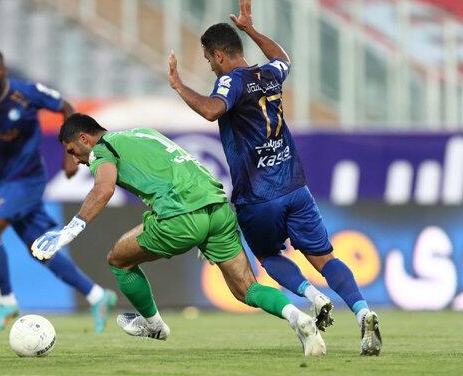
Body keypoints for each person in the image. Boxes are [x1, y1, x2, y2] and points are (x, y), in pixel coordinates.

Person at [168, 0, 381, 356]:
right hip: (296, 187)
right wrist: (251, 29)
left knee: (268, 257)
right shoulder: (268, 74)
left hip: (258, 196)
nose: (210, 67)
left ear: (219, 55)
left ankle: (312, 295)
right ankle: (363, 311)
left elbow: (211, 110)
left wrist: (179, 86)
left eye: (208, 60)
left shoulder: (231, 81)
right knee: (325, 259)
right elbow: (284, 58)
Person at [31, 113, 326, 356]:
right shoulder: (144, 132)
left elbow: (104, 188)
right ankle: (297, 317)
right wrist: (202, 228)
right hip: (218, 208)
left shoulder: (102, 149)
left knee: (118, 260)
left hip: (180, 215)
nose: (76, 159)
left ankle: (154, 325)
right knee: (247, 289)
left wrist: (69, 231)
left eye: (72, 151)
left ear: (84, 138)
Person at [0, 48, 116, 333]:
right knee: (40, 250)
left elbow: (66, 107)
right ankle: (97, 296)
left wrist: (68, 155)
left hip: (28, 178)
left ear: (4, 71)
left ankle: (6, 302)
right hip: (7, 182)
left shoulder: (26, 93)